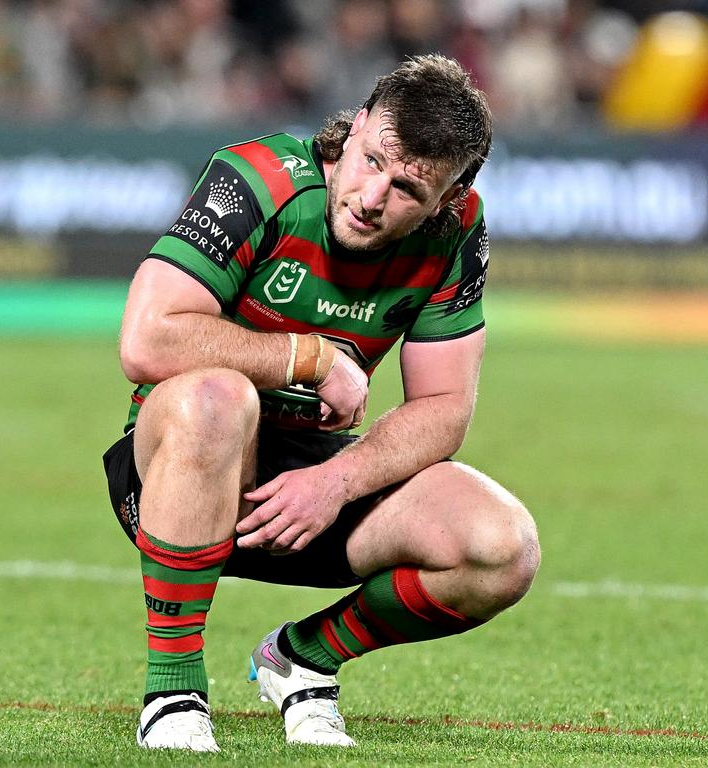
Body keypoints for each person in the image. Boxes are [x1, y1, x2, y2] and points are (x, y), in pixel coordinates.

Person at [103, 54, 540, 752]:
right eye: (370, 161)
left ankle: (302, 659)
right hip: (182, 463)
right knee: (217, 398)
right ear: (358, 125)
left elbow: (446, 409)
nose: (372, 197)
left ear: (446, 200)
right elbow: (146, 339)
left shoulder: (458, 232)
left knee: (502, 549)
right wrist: (309, 358)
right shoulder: (258, 179)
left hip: (312, 481)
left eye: (406, 188)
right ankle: (173, 691)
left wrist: (333, 483)